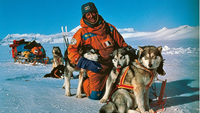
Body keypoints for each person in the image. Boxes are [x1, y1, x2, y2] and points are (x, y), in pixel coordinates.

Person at [67, 2, 128, 100]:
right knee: (95, 96)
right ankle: (85, 83)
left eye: (92, 12)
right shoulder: (81, 33)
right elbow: (71, 51)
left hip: (114, 65)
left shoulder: (109, 28)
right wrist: (86, 63)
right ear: (84, 17)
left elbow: (123, 45)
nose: (91, 16)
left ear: (96, 12)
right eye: (88, 14)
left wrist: (130, 51)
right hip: (96, 68)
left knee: (120, 89)